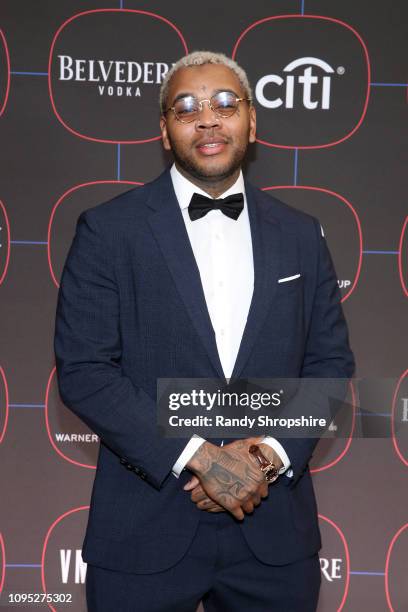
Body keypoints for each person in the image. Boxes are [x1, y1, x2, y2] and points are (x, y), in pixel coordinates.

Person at [54, 50, 355, 611]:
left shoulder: (300, 234)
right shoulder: (108, 229)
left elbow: (330, 368)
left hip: (274, 539)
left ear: (252, 122)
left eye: (225, 103)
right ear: (165, 131)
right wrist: (204, 458)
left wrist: (265, 458)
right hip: (144, 529)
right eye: (186, 108)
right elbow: (85, 371)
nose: (208, 119)